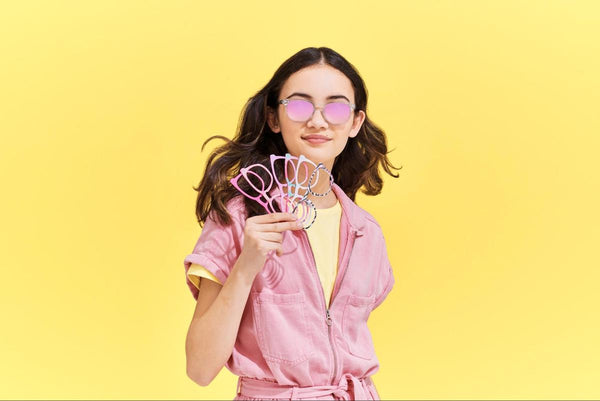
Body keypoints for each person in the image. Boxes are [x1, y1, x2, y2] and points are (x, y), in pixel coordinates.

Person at [183, 46, 401, 400]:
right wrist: (245, 267)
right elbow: (200, 368)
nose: (318, 121)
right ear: (273, 118)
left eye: (335, 106)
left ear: (355, 122)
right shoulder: (240, 216)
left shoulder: (366, 233)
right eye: (299, 105)